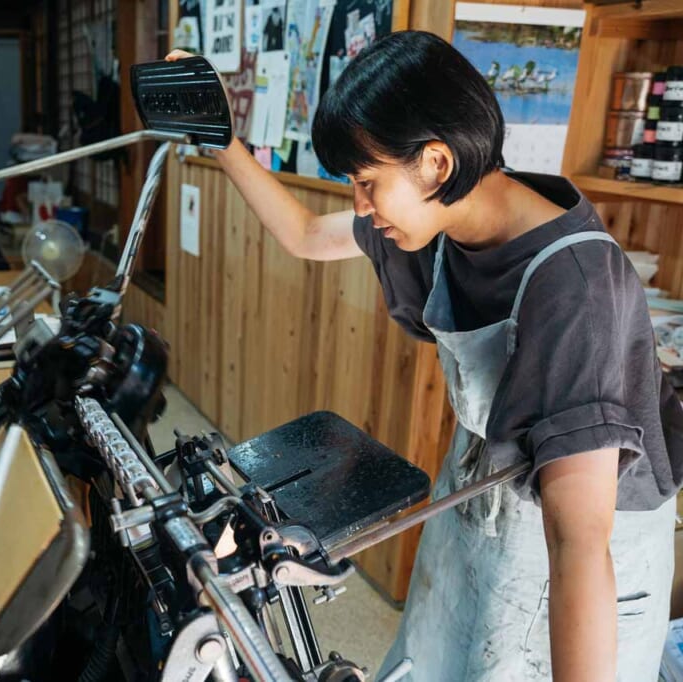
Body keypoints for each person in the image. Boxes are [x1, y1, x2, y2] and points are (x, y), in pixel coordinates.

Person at [167, 30, 682, 682]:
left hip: (577, 562)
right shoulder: (449, 216)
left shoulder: (573, 287)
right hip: (479, 508)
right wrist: (222, 140)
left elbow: (578, 544)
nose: (359, 205)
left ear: (436, 163)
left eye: (366, 182)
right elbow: (301, 234)